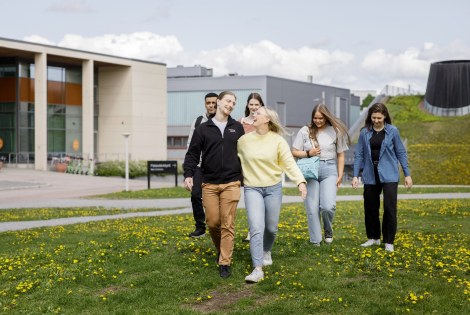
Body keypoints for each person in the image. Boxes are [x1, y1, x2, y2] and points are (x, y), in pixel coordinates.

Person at [238, 106, 307, 283]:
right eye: (254, 112)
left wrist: (300, 181)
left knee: (271, 228)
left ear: (267, 119)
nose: (254, 114)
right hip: (252, 188)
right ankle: (257, 268)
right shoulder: (243, 140)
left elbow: (289, 164)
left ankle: (266, 250)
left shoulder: (277, 141)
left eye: (258, 113)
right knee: (256, 226)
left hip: (273, 189)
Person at [183, 91, 245, 278]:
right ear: (218, 102)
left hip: (231, 182)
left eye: (233, 102)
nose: (230, 104)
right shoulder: (203, 128)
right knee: (212, 222)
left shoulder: (237, 128)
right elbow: (192, 154)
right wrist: (188, 174)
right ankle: (222, 250)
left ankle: (224, 261)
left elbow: (246, 153)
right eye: (227, 100)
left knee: (227, 223)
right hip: (209, 183)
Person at [352, 102, 412, 252]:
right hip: (370, 175)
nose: (376, 120)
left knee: (389, 209)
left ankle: (389, 241)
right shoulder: (364, 132)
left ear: (385, 116)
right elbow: (359, 154)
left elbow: (401, 153)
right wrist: (355, 175)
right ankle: (373, 238)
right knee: (370, 207)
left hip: (389, 174)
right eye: (374, 117)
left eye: (379, 118)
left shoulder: (393, 131)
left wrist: (407, 174)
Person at [292, 104, 350, 246]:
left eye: (321, 118)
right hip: (310, 170)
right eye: (315, 118)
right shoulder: (305, 131)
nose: (318, 121)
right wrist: (308, 153)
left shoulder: (335, 131)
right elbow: (293, 151)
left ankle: (328, 230)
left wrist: (340, 174)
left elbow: (341, 154)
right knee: (312, 207)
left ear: (326, 117)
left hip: (329, 169)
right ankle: (316, 240)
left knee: (328, 206)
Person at [186, 92, 218, 238]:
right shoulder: (198, 121)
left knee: (217, 198)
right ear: (205, 104)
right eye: (208, 103)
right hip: (200, 166)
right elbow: (190, 147)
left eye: (214, 102)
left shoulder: (223, 121)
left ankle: (218, 225)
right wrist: (189, 171)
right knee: (195, 195)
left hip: (217, 168)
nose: (211, 105)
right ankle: (200, 227)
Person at [238, 92, 265, 242]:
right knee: (249, 199)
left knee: (259, 199)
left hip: (260, 166)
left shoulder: (264, 122)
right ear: (247, 105)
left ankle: (256, 229)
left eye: (257, 104)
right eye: (251, 104)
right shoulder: (240, 122)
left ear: (261, 106)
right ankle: (252, 228)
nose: (254, 107)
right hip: (244, 165)